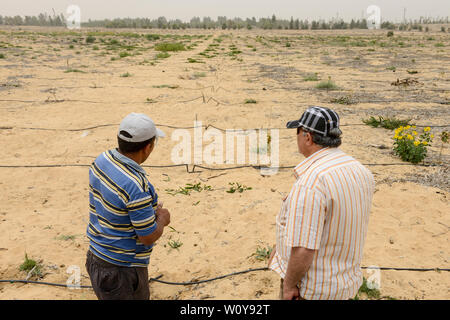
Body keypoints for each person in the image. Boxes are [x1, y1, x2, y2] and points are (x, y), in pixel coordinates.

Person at [268, 106, 375, 300]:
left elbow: (304, 248)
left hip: (313, 291)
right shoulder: (361, 171)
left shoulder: (312, 182)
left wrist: (290, 286)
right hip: (344, 285)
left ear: (307, 137)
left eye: (298, 132)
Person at [85, 112, 171, 300]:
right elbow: (147, 236)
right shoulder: (135, 186)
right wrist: (162, 219)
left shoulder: (103, 159)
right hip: (121, 270)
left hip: (96, 257)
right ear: (148, 148)